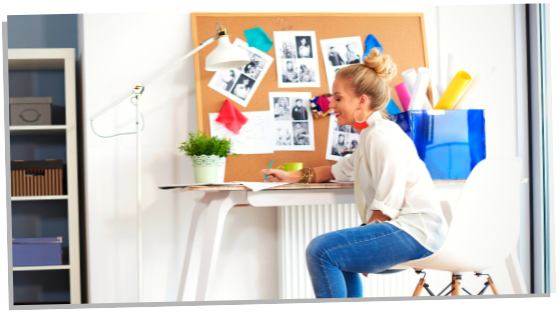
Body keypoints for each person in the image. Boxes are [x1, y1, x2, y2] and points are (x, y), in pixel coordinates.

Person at [260, 48, 449, 299]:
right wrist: (288, 176)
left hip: (417, 232)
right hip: (408, 231)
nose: (331, 105)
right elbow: (332, 171)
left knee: (322, 250)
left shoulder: (382, 137)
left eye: (338, 98)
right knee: (336, 253)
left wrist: (365, 244)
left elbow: (387, 204)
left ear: (362, 101)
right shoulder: (370, 137)